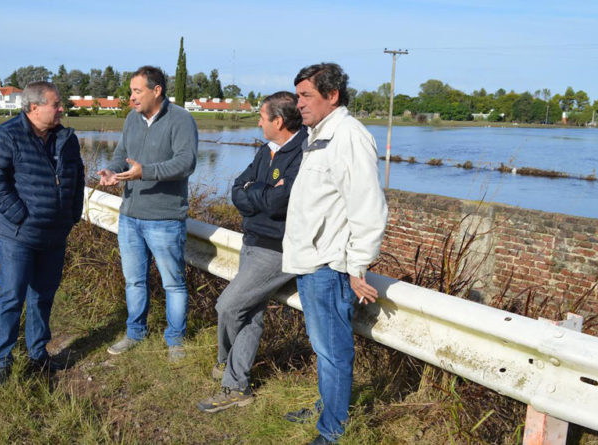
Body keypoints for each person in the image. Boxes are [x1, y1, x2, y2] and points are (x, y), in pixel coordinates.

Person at [282, 63, 388, 444]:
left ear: (332, 96)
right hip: (311, 262)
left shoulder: (348, 136)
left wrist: (357, 266)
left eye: (306, 95)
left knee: (333, 351)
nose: (299, 104)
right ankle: (327, 408)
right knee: (322, 347)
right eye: (297, 96)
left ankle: (332, 432)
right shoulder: (319, 135)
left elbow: (368, 207)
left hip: (329, 266)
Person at [196, 92, 307, 413]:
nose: (257, 121)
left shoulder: (302, 154)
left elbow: (278, 203)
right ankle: (237, 385)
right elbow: (237, 189)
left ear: (279, 121)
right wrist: (258, 195)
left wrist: (254, 195)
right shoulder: (265, 151)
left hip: (278, 250)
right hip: (252, 240)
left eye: (262, 116)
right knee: (251, 314)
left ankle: (226, 366)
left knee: (228, 306)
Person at [0, 81, 85, 385]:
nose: (62, 109)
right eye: (56, 104)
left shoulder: (67, 138)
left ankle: (38, 354)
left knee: (43, 296)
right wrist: (21, 216)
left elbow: (77, 178)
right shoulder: (7, 135)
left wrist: (71, 215)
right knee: (12, 295)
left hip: (55, 234)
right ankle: (1, 359)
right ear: (34, 107)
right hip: (18, 235)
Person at [96, 66, 198, 361]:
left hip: (165, 219)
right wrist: (112, 172)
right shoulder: (131, 119)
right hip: (130, 216)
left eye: (137, 91)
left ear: (157, 91)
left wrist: (145, 173)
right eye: (131, 92)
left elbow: (186, 163)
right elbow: (120, 156)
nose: (131, 98)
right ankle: (134, 333)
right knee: (134, 280)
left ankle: (175, 340)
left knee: (173, 283)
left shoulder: (181, 119)